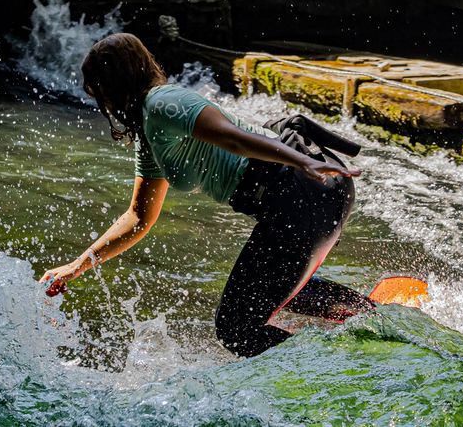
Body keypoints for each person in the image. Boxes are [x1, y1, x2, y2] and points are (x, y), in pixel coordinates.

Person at [41, 33, 374, 357]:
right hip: (298, 197)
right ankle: (371, 317)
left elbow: (232, 138)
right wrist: (77, 266)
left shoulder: (164, 104)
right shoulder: (151, 131)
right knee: (264, 296)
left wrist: (300, 161)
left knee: (236, 328)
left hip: (302, 189)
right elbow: (138, 217)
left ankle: (336, 368)